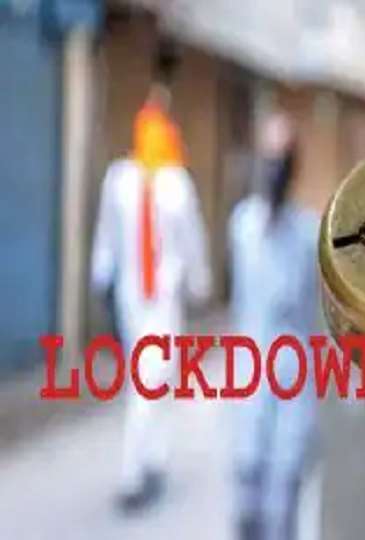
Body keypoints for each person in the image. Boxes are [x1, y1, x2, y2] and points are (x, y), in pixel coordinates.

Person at [91, 83, 212, 512]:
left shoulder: (175, 183)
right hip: (134, 296)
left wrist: (197, 283)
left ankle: (154, 460)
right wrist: (102, 277)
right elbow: (107, 233)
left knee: (156, 377)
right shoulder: (122, 180)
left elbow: (191, 241)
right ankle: (133, 473)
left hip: (162, 296)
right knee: (147, 380)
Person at [228, 112, 321, 540]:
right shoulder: (242, 227)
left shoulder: (306, 235)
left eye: (281, 160)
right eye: (267, 158)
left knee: (283, 505)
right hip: (250, 381)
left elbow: (316, 319)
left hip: (293, 385)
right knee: (247, 512)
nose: (273, 170)